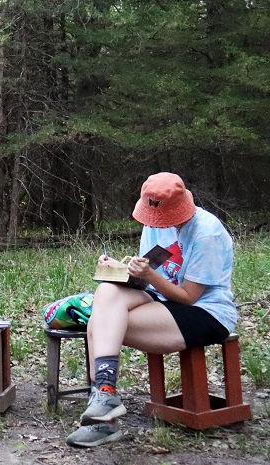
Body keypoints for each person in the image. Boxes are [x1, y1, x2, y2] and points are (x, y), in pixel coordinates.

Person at [66, 172, 236, 448]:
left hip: (205, 312)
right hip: (160, 299)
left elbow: (189, 296)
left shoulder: (208, 233)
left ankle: (103, 417)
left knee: (100, 322)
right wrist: (118, 271)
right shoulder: (153, 221)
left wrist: (150, 276)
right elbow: (149, 280)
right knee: (106, 293)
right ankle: (105, 396)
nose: (155, 225)